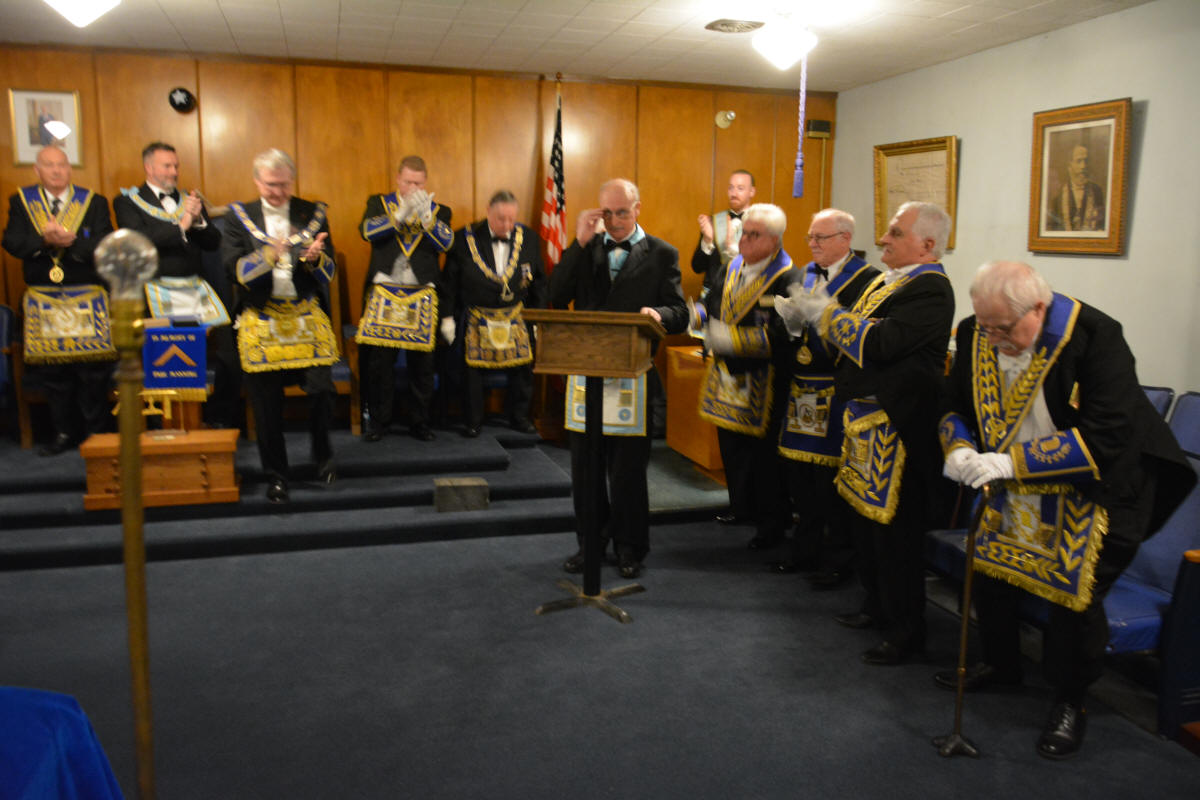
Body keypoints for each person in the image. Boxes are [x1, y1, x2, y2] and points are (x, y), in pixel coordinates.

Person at [935, 260, 1195, 759]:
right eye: (985, 326)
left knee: (1074, 598)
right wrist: (959, 447)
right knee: (992, 571)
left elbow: (1108, 436)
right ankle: (1001, 664)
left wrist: (1010, 463)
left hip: (1099, 486)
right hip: (1015, 481)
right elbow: (953, 403)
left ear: (1038, 308)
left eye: (1003, 329)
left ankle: (1070, 700)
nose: (992, 339)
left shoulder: (1095, 336)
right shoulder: (974, 330)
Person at [775, 201, 955, 665]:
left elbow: (881, 343)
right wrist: (818, 318)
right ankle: (875, 606)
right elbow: (855, 337)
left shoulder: (931, 287)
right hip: (864, 420)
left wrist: (827, 315)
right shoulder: (885, 280)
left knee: (896, 535)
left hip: (899, 427)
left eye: (895, 233)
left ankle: (905, 630)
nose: (883, 240)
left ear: (927, 245)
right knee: (865, 526)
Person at [549, 178, 687, 579]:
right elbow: (554, 295)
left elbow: (680, 312)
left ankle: (630, 546)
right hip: (586, 374)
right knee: (585, 471)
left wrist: (659, 314)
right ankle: (589, 544)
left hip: (633, 376)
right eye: (606, 213)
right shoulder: (586, 249)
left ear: (638, 208)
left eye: (622, 212)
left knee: (627, 473)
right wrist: (578, 242)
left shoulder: (662, 253)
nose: (613, 221)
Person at [221, 148, 338, 504]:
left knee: (322, 389)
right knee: (266, 403)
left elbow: (329, 272)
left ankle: (323, 455)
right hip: (261, 315)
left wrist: (315, 259)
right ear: (257, 181)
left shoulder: (313, 213)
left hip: (304, 311)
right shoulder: (238, 217)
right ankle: (276, 475)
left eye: (284, 185)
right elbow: (234, 270)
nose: (278, 192)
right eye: (271, 185)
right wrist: (268, 254)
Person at [775, 209, 879, 582]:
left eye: (821, 237)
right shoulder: (802, 274)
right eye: (810, 237)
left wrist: (825, 320)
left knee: (831, 483)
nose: (813, 244)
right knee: (800, 480)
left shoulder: (868, 280)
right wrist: (790, 326)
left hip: (836, 391)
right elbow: (786, 332)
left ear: (845, 238)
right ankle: (804, 551)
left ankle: (838, 561)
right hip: (801, 388)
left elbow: (865, 339)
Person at [694, 203, 801, 552]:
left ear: (774, 240)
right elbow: (713, 303)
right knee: (733, 451)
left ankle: (771, 526)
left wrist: (732, 340)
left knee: (764, 461)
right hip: (728, 377)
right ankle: (741, 507)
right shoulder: (732, 265)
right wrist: (696, 315)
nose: (744, 240)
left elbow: (786, 335)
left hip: (765, 383)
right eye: (744, 233)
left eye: (754, 235)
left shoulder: (789, 278)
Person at [114, 141, 238, 428]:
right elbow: (139, 241)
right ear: (149, 168)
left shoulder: (188, 199)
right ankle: (163, 425)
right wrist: (183, 224)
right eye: (167, 166)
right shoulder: (126, 202)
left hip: (195, 288)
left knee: (228, 355)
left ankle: (217, 419)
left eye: (176, 166)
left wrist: (199, 221)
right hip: (154, 292)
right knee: (164, 358)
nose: (174, 172)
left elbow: (213, 243)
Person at [2, 145, 115, 455]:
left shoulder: (93, 202)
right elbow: (11, 241)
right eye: (49, 165)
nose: (56, 171)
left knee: (92, 373)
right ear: (37, 170)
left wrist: (72, 242)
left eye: (62, 165)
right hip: (44, 298)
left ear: (69, 169)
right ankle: (64, 433)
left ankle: (95, 434)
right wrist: (44, 241)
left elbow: (105, 243)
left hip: (86, 295)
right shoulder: (22, 201)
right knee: (55, 375)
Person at [357, 155, 453, 442]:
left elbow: (446, 244)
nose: (414, 188)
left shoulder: (439, 210)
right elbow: (367, 232)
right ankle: (379, 422)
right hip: (385, 291)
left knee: (422, 365)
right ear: (398, 179)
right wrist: (399, 214)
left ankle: (419, 422)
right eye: (409, 182)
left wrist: (427, 220)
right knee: (380, 364)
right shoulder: (378, 203)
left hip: (421, 293)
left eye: (419, 183)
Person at [440, 190, 545, 437]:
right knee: (472, 372)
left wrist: (538, 319)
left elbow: (539, 283)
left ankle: (519, 417)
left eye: (511, 219)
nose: (507, 225)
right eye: (501, 219)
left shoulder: (529, 238)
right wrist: (447, 317)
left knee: (522, 369)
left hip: (515, 315)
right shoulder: (464, 238)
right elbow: (449, 283)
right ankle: (473, 421)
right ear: (488, 211)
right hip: (477, 315)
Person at [692, 170, 756, 300]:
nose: (734, 193)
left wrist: (734, 249)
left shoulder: (762, 225)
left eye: (740, 188)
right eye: (731, 188)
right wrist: (707, 241)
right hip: (711, 300)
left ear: (752, 192)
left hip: (745, 298)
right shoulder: (714, 222)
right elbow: (697, 267)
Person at [1046, 144, 1105, 231]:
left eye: (1086, 161)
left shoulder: (1097, 191)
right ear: (1069, 165)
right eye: (1079, 161)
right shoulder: (1059, 194)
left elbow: (1102, 224)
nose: (1083, 166)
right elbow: (1052, 228)